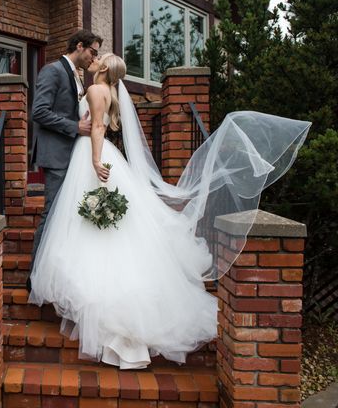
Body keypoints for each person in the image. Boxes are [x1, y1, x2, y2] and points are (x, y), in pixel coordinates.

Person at [28, 53, 311, 369]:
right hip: (103, 156)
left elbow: (96, 128)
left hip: (93, 157)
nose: (95, 59)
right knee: (106, 229)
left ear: (105, 68)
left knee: (92, 227)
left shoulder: (96, 90)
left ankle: (112, 317)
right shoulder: (106, 90)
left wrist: (95, 162)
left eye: (100, 58)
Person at [28, 30, 103, 290]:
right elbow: (39, 112)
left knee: (66, 215)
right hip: (56, 155)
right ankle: (35, 277)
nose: (94, 58)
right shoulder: (53, 70)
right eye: (92, 52)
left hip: (71, 155)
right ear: (79, 46)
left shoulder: (75, 76)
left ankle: (57, 275)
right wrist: (75, 127)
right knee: (52, 213)